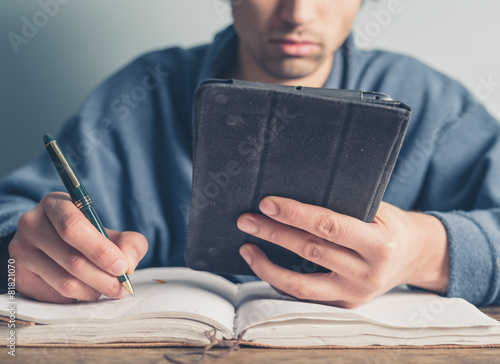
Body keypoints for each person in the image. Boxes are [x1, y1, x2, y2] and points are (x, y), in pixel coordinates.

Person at [1, 0, 499, 307]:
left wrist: (425, 252)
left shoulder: (433, 104)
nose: (297, 13)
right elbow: (13, 220)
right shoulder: (141, 92)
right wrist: (16, 254)